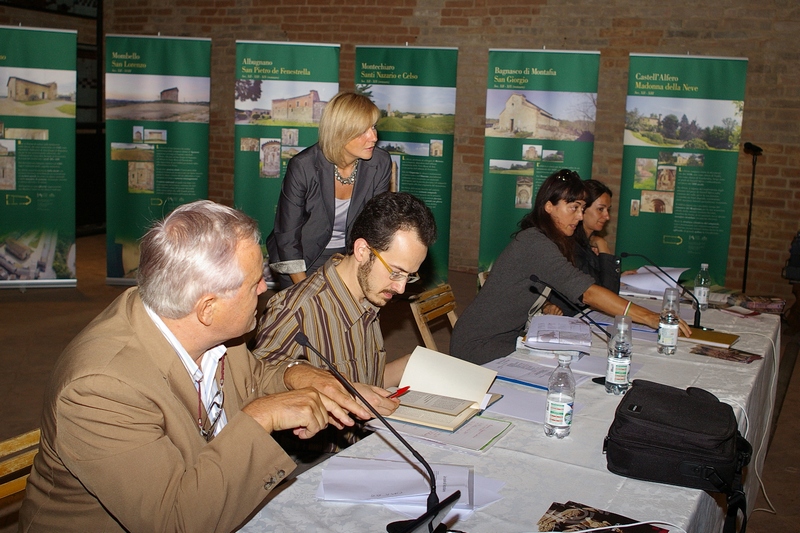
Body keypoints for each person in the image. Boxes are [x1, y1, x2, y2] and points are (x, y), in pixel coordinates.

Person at [19, 200, 372, 533]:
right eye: (254, 284)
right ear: (207, 309)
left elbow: (252, 377)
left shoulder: (200, 327)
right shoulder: (100, 389)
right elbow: (175, 521)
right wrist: (260, 418)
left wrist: (299, 374)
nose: (265, 289)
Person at [252, 191, 437, 452]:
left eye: (410, 276)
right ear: (362, 250)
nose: (400, 287)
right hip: (319, 464)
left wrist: (411, 364)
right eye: (396, 272)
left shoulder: (370, 294)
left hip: (366, 445)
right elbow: (253, 392)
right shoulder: (296, 311)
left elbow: (361, 380)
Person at [450, 169, 691, 365]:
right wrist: (650, 317)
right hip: (479, 346)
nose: (578, 216)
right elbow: (588, 291)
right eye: (573, 207)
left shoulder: (549, 239)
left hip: (507, 338)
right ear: (549, 206)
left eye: (581, 209)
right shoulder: (534, 242)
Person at [267, 91, 392, 288]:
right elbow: (287, 235)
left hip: (350, 257)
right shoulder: (303, 166)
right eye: (363, 131)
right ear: (340, 133)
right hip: (301, 260)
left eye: (374, 127)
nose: (374, 137)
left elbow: (377, 226)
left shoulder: (380, 162)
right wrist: (303, 291)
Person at [549, 179, 621, 315]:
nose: (607, 216)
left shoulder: (586, 243)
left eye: (608, 210)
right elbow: (608, 295)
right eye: (601, 209)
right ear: (583, 210)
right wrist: (603, 245)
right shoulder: (570, 246)